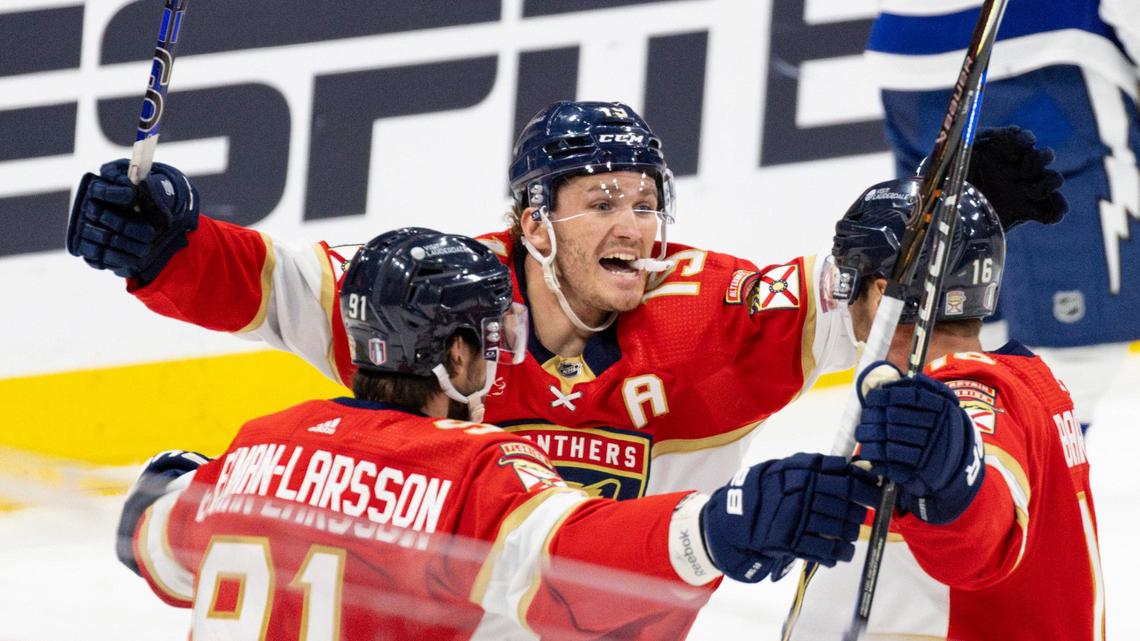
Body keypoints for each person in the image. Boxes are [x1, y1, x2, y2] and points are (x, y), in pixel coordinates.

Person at [66, 100, 1060, 501]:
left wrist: (946, 220)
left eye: (646, 200)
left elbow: (867, 288)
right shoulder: (429, 298)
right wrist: (161, 244)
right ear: (531, 223)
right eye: (600, 203)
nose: (635, 225)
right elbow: (265, 282)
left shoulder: (718, 310)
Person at [115, 227, 881, 640]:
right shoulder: (473, 469)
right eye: (490, 337)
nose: (503, 355)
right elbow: (578, 562)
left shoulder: (252, 451)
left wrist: (162, 490)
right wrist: (721, 525)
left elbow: (150, 539)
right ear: (454, 354)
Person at [781, 178, 1104, 640]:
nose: (839, 297)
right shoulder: (1022, 379)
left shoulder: (966, 396)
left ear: (878, 294)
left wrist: (950, 484)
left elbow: (982, 533)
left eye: (847, 278)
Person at [865, 0, 1140, 430]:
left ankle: (967, 472)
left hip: (905, 57)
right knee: (1075, 348)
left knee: (959, 307)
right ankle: (1028, 481)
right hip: (1047, 53)